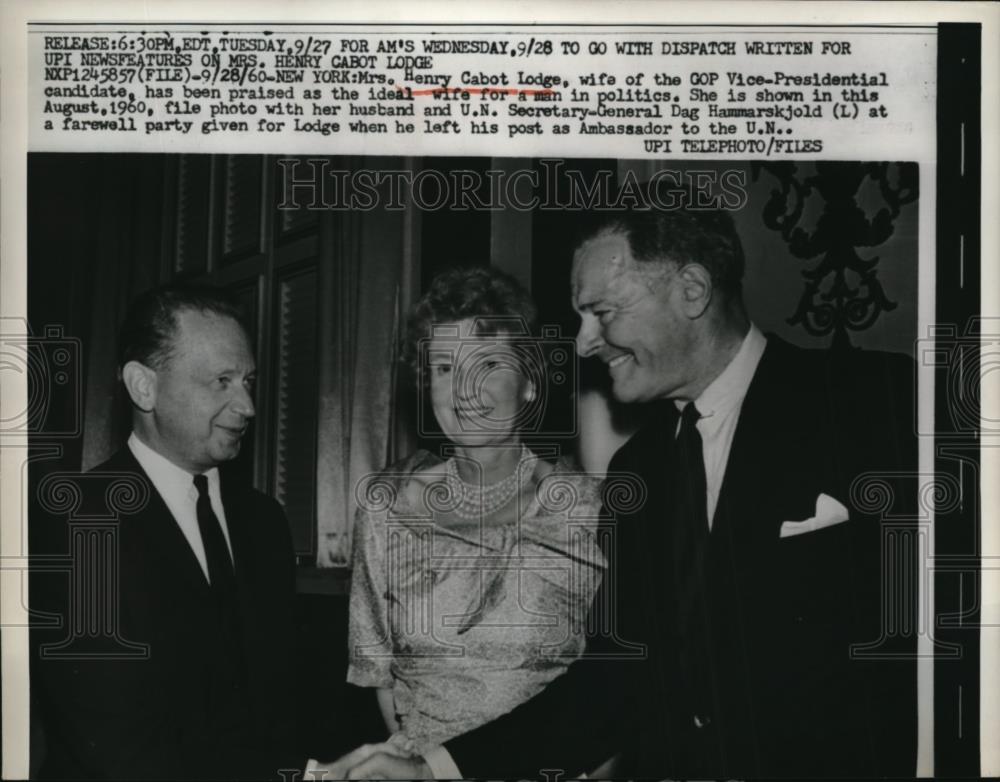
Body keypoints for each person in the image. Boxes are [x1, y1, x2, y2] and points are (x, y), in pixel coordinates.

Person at [335, 193, 918, 778]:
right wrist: (434, 767)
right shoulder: (639, 470)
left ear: (691, 291)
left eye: (603, 313)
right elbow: (618, 680)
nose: (585, 342)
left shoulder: (878, 402)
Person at [319, 268, 606, 773]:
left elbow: (610, 690)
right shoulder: (386, 509)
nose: (463, 389)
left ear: (530, 384)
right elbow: (378, 678)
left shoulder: (588, 509)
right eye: (445, 367)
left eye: (488, 362)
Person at [32, 284, 305, 780]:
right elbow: (115, 743)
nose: (247, 406)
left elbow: (282, 709)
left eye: (248, 380)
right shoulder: (76, 524)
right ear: (144, 387)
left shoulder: (266, 522)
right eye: (221, 381)